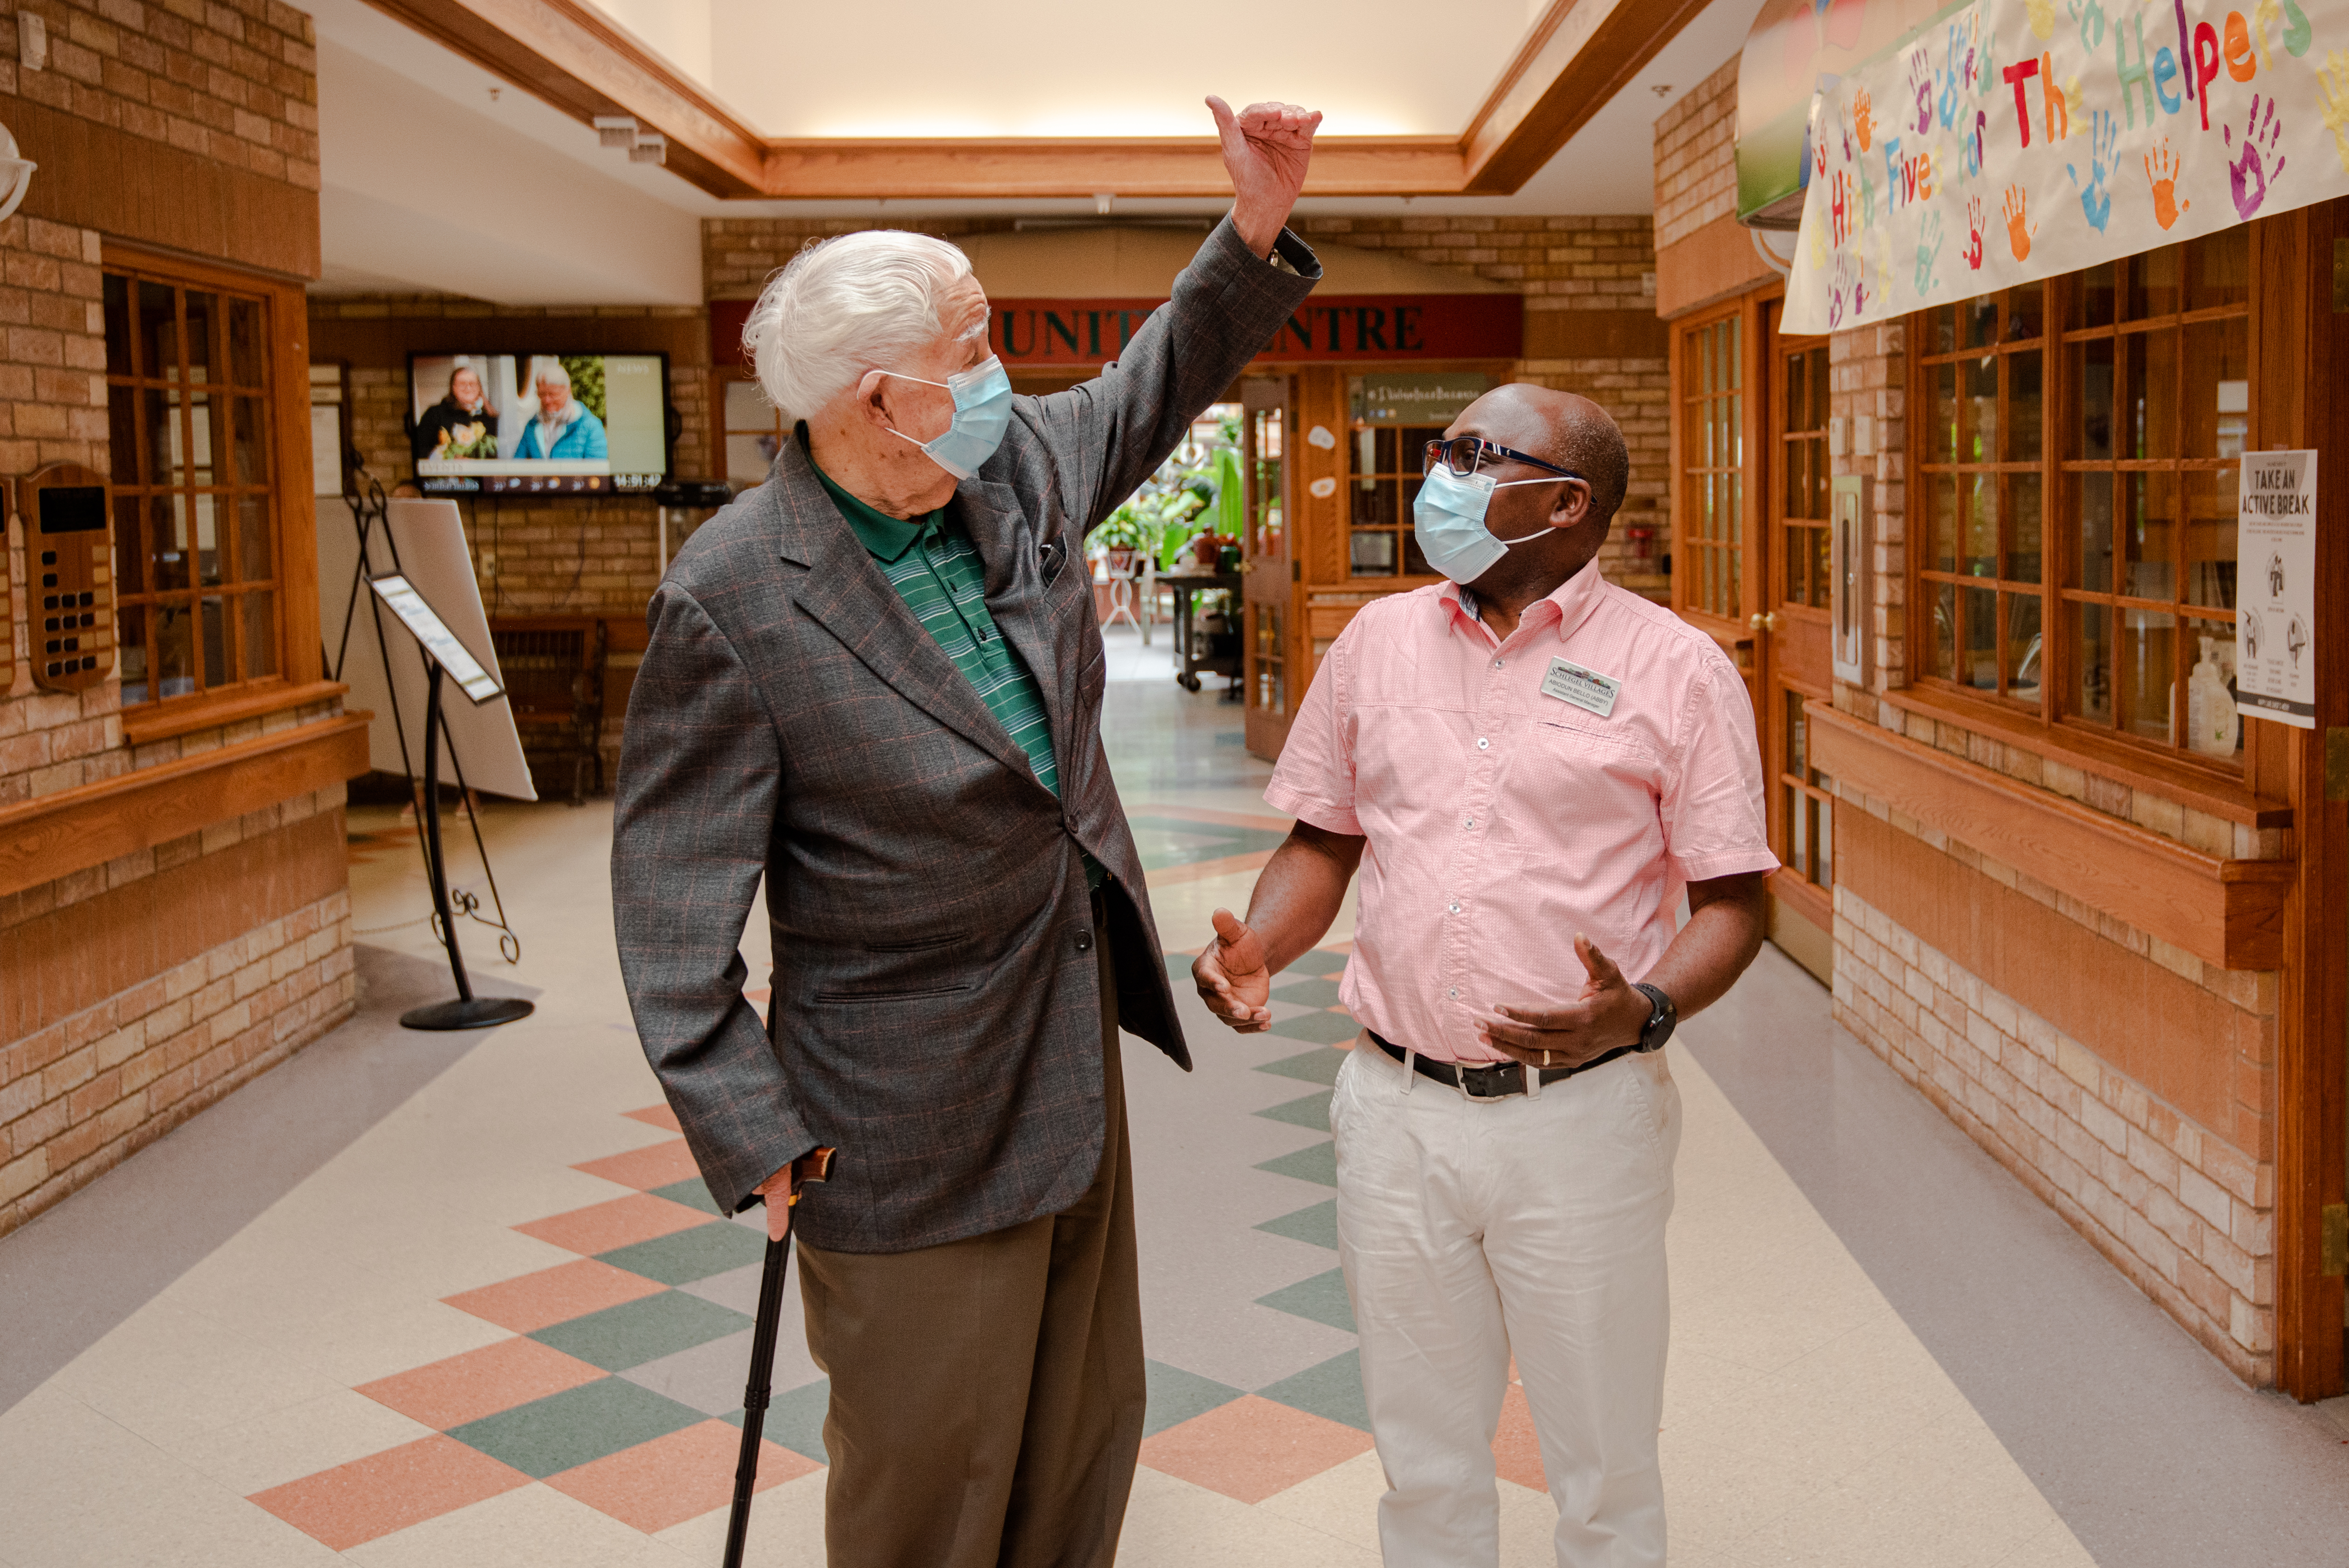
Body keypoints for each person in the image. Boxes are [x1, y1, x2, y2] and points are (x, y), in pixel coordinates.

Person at [611, 98, 1323, 1568]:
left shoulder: (1007, 476)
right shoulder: (736, 595)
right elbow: (674, 907)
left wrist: (1251, 224)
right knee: (933, 1474)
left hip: (1061, 1048)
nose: (1002, 377)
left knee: (1082, 1434)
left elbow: (1150, 384)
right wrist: (752, 1136)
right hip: (894, 1119)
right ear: (880, 400)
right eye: (974, 352)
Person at [1193, 386, 1776, 1568]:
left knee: (1602, 1457)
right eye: (1441, 451)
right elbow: (1325, 837)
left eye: (1472, 454)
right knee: (1422, 1451)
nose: (1439, 475)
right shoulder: (1378, 640)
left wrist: (1645, 1007)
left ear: (1566, 502)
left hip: (1576, 1117)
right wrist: (1260, 942)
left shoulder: (1678, 669)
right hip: (1392, 1109)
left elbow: (1733, 899)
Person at [512, 360, 607, 460]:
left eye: (552, 395)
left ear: (568, 391)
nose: (547, 400)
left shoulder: (591, 426)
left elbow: (597, 471)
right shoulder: (532, 426)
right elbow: (517, 465)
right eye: (542, 394)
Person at [409, 359, 498, 462]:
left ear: (479, 388)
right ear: (453, 388)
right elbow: (420, 450)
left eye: (472, 384)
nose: (468, 388)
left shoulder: (489, 418)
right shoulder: (435, 414)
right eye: (462, 384)